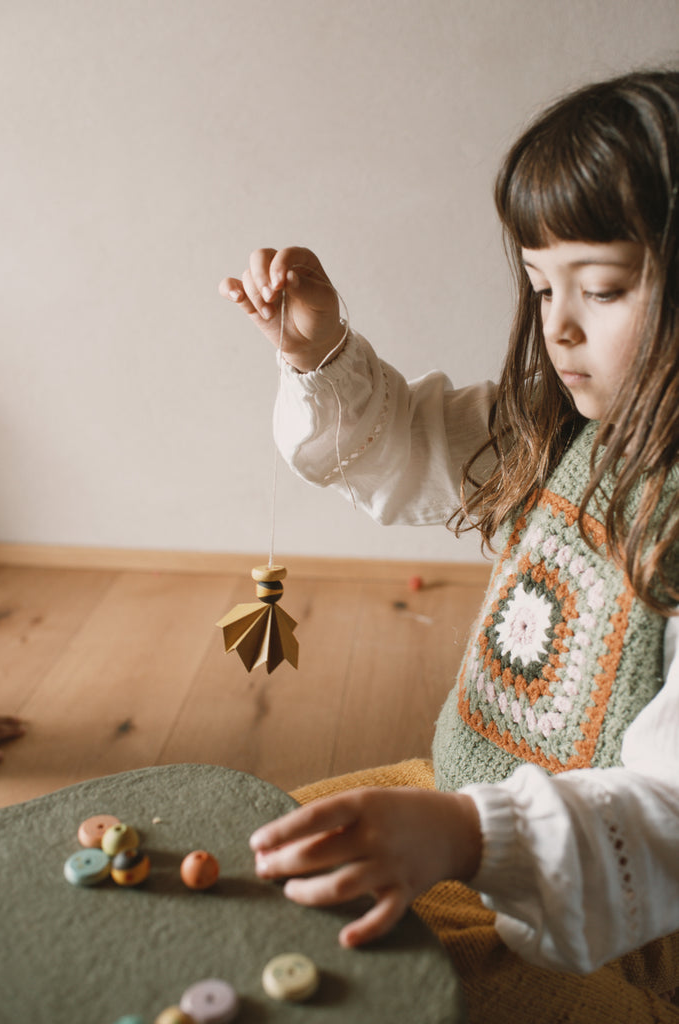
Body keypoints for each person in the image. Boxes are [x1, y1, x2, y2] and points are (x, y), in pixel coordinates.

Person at [221, 69, 679, 1022]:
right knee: (242, 858)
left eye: (600, 289)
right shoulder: (562, 430)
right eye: (538, 285)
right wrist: (318, 352)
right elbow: (411, 449)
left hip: (613, 927)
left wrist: (468, 838)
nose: (555, 327)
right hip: (460, 801)